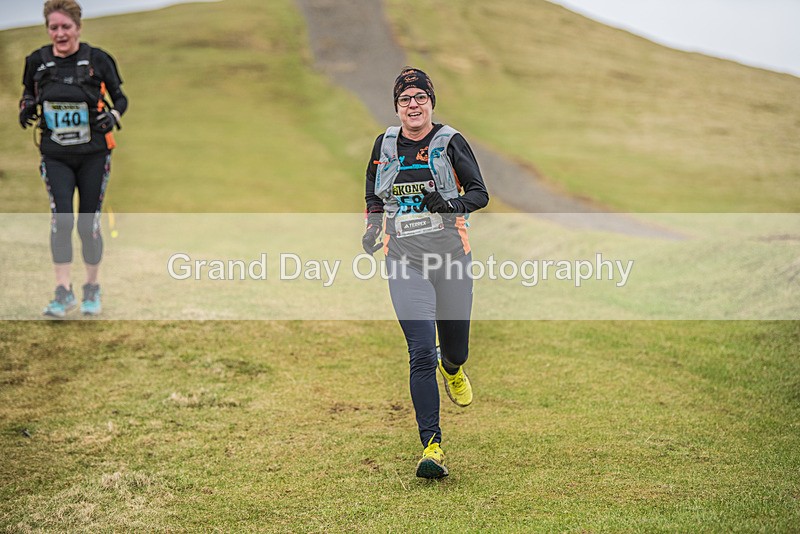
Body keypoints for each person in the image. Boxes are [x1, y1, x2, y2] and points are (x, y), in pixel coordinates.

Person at [363, 67, 489, 479]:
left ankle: (452, 368)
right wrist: (371, 228)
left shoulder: (450, 142)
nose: (412, 105)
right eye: (405, 99)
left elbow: (479, 194)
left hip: (451, 258)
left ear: (431, 103)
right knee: (420, 351)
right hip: (404, 260)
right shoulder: (384, 145)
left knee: (455, 350)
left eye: (420, 98)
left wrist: (448, 207)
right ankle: (431, 447)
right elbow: (373, 193)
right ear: (397, 106)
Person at [19, 0, 127, 317]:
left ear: (78, 27)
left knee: (87, 224)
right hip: (55, 155)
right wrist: (26, 108)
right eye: (54, 27)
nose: (60, 33)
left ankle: (91, 287)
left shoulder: (98, 60)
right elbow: (29, 93)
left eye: (66, 26)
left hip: (94, 153)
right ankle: (62, 291)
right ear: (47, 29)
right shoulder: (36, 62)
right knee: (61, 220)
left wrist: (114, 115)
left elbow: (120, 96)